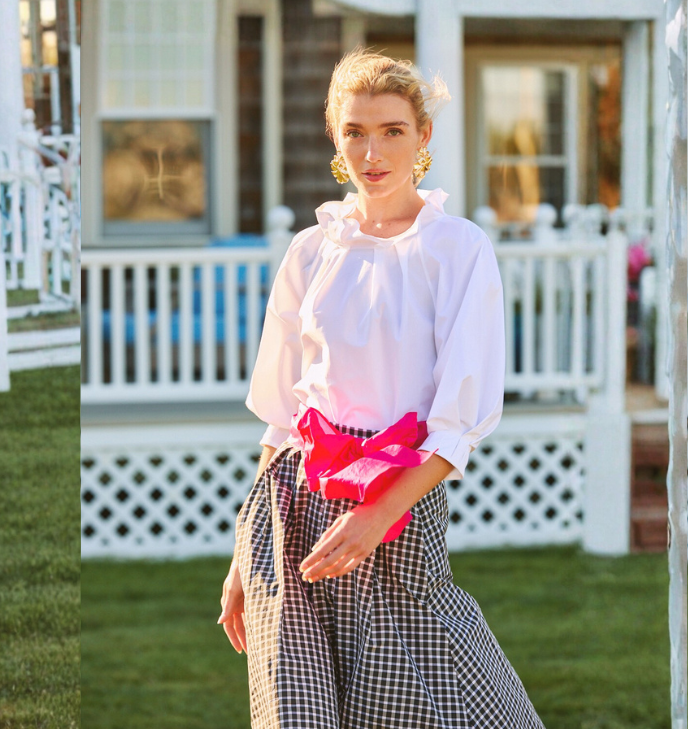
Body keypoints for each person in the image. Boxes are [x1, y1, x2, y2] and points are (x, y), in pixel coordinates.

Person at [217, 48, 544, 728]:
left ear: (423, 135)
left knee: (444, 704)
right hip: (294, 510)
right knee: (299, 712)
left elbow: (456, 430)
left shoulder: (457, 249)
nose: (374, 151)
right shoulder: (310, 250)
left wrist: (374, 519)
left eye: (393, 130)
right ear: (335, 136)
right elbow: (282, 419)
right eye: (356, 131)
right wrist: (243, 555)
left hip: (396, 505)